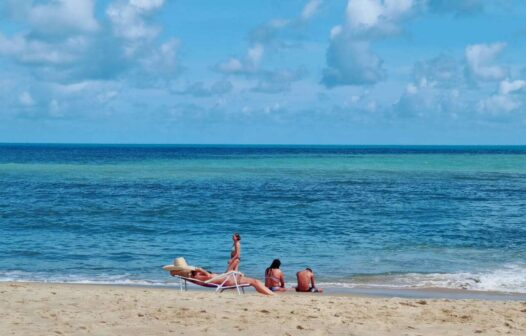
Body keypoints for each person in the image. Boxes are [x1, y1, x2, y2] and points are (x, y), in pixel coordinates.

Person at [170, 268, 273, 296]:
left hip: (227, 280)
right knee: (254, 282)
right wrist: (200, 269)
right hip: (229, 281)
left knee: (254, 282)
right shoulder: (201, 276)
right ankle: (271, 294)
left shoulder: (197, 277)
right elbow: (209, 275)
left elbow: (173, 273)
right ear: (194, 272)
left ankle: (270, 293)